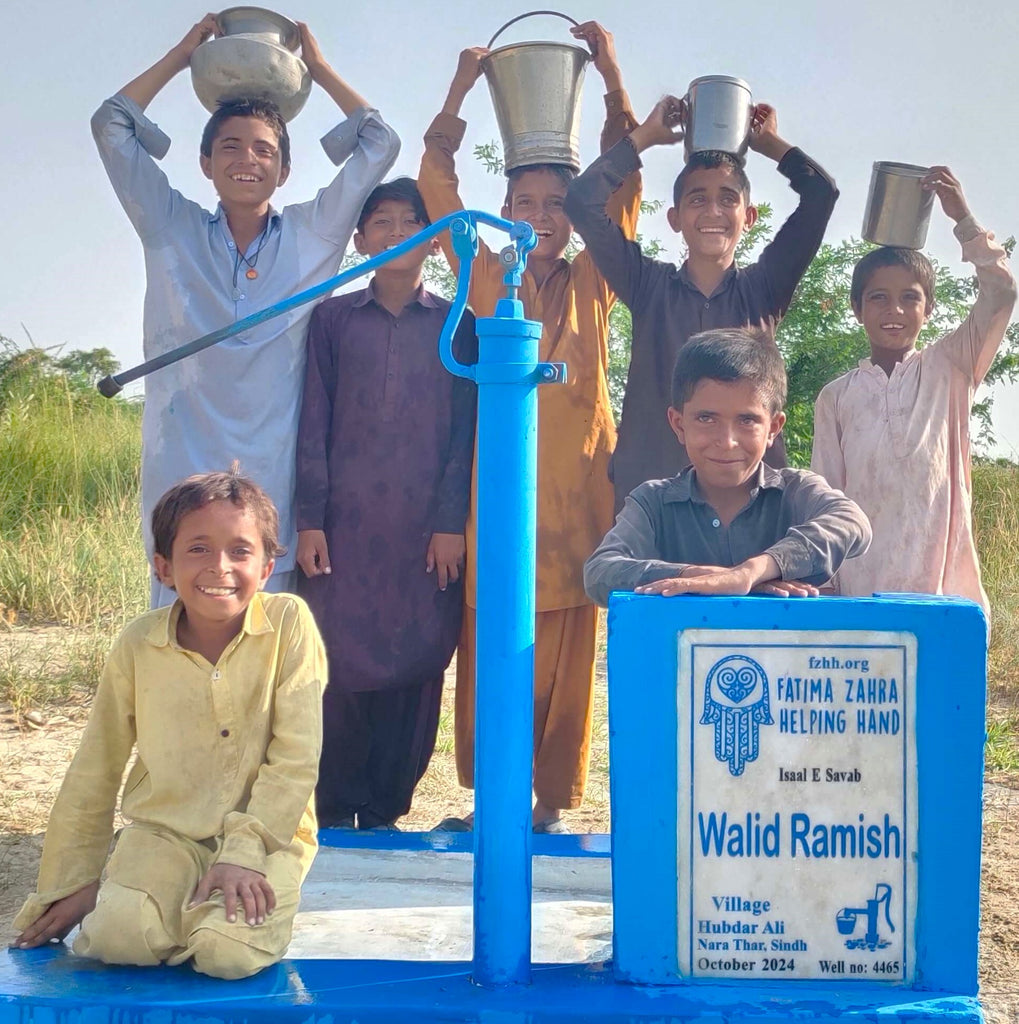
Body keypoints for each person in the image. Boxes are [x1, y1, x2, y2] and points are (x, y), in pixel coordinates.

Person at [90, 15, 400, 606]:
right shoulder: (169, 227)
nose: (246, 159)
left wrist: (321, 67)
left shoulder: (315, 235)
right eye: (229, 146)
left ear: (285, 171)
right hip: (177, 468)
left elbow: (379, 143)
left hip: (269, 477)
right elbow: (111, 124)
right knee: (178, 630)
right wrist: (184, 55)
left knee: (260, 646)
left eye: (264, 150)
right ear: (205, 163)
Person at [418, 23, 640, 833]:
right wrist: (461, 89)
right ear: (502, 211)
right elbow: (434, 187)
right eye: (526, 204)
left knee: (570, 664)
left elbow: (620, 185)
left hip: (582, 508)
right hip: (501, 509)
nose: (542, 216)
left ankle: (547, 809)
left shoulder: (595, 277)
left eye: (557, 205)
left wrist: (610, 76)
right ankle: (495, 805)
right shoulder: (484, 274)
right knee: (491, 659)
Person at [11, 468, 327, 980]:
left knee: (226, 951)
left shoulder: (289, 624)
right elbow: (98, 762)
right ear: (163, 566)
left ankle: (202, 919)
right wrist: (74, 881)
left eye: (240, 551)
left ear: (268, 567)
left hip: (268, 835)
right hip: (164, 833)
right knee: (116, 935)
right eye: (198, 549)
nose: (219, 567)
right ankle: (147, 896)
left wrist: (244, 855)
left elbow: (296, 754)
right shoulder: (138, 643)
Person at [294, 177, 477, 831]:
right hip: (343, 528)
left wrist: (449, 522)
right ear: (358, 238)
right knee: (336, 660)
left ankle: (386, 806)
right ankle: (333, 804)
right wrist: (309, 519)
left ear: (434, 240)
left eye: (411, 221)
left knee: (418, 654)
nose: (397, 232)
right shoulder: (333, 319)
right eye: (381, 221)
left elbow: (465, 433)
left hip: (426, 532)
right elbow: (312, 422)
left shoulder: (460, 324)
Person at [564, 95, 839, 510]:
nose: (713, 210)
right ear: (675, 218)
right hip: (653, 505)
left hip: (750, 507)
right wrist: (645, 138)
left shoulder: (764, 290)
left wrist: (771, 146)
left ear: (749, 217)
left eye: (728, 198)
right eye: (697, 199)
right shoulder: (646, 285)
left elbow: (821, 194)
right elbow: (580, 202)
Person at [811, 168, 1016, 613]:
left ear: (929, 308)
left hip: (941, 592)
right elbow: (826, 495)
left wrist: (961, 217)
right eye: (878, 297)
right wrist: (824, 588)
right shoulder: (837, 397)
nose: (895, 310)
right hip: (861, 594)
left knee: (939, 680)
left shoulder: (951, 367)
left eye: (910, 297)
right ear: (857, 308)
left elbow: (1001, 292)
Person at [584, 329, 870, 605]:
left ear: (773, 428)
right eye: (707, 419)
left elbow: (852, 523)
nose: (727, 441)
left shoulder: (796, 491)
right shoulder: (652, 502)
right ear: (679, 424)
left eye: (747, 420)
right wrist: (694, 577)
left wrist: (754, 571)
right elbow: (600, 572)